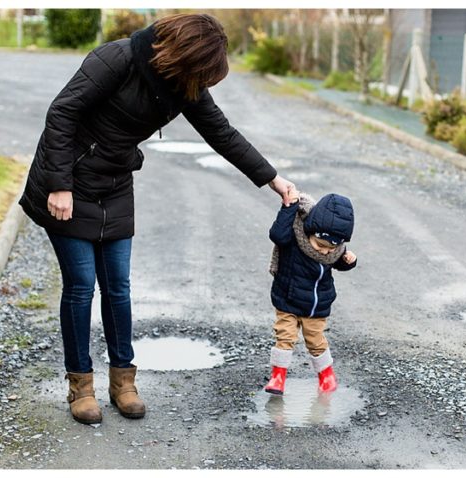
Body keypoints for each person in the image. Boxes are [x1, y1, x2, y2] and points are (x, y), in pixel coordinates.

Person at [18, 14, 296, 424]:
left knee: (118, 286)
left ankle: (123, 382)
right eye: (202, 73)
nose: (203, 84)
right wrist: (60, 185)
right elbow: (62, 112)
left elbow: (223, 133)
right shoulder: (117, 59)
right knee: (81, 286)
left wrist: (272, 179)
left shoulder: (184, 85)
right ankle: (80, 385)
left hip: (114, 184)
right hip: (69, 182)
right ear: (184, 55)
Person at [264, 191, 358, 395]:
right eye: (321, 245)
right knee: (285, 337)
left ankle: (327, 377)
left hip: (316, 306)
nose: (324, 252)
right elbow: (277, 235)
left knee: (316, 341)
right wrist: (288, 208)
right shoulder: (293, 239)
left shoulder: (334, 250)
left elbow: (338, 263)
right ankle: (278, 377)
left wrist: (348, 261)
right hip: (287, 300)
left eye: (331, 248)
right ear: (309, 231)